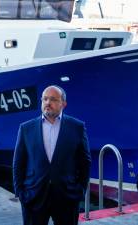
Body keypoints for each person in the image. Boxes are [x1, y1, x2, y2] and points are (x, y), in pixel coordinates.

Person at [13, 85, 91, 225]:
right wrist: (20, 192)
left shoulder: (77, 127)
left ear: (63, 104)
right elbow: (18, 163)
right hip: (33, 197)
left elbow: (85, 162)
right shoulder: (26, 128)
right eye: (45, 99)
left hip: (66, 198)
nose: (48, 103)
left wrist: (80, 190)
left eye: (53, 99)